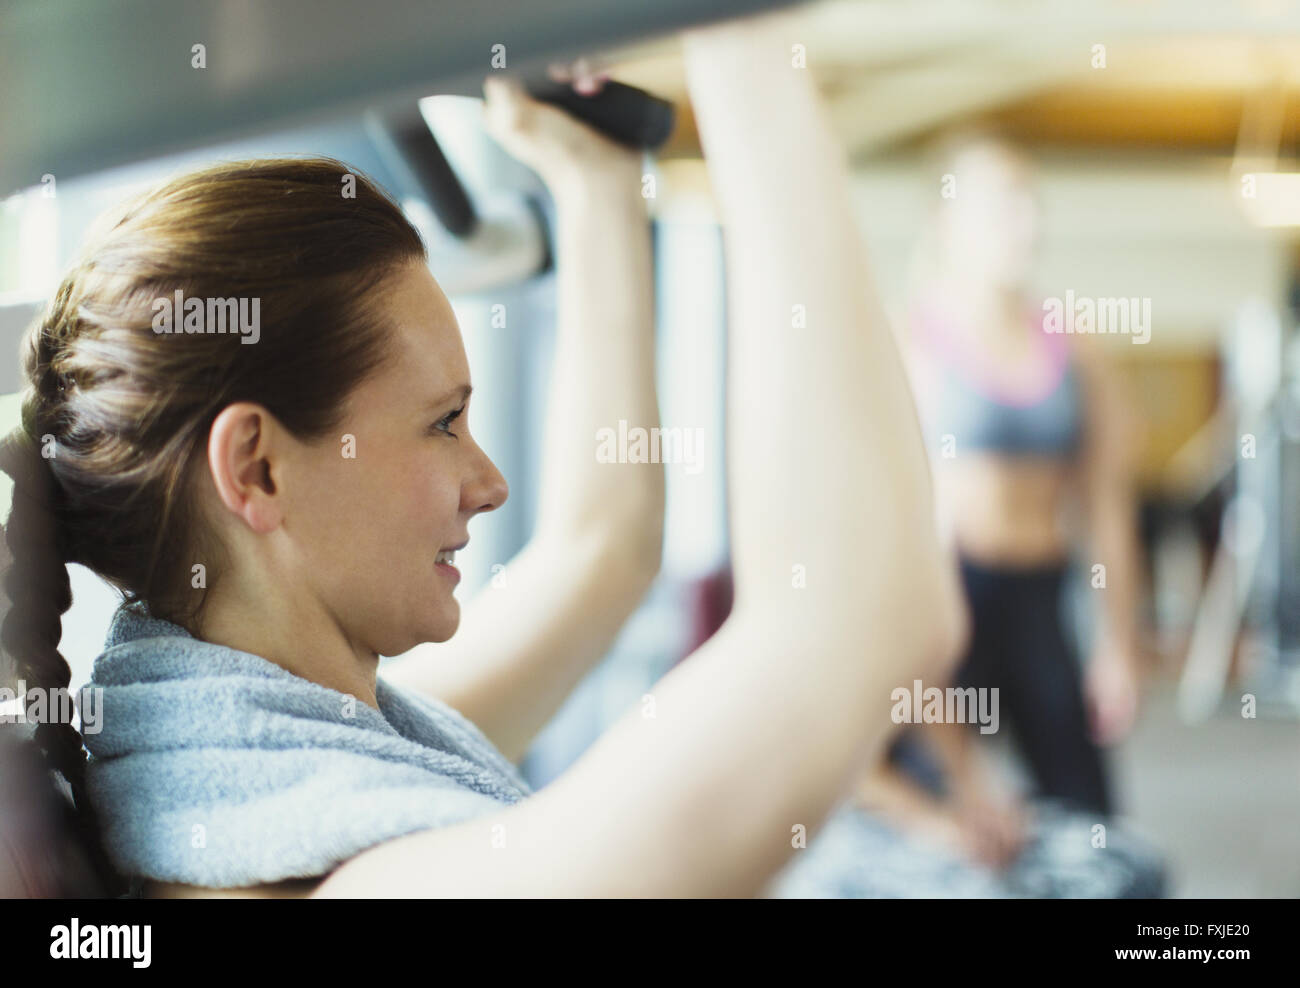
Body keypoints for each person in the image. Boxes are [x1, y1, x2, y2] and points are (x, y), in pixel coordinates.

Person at [0, 14, 965, 898]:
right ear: (255, 468)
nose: (489, 483)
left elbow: (603, 549)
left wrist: (593, 182)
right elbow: (864, 625)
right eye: (443, 423)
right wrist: (739, 36)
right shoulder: (345, 878)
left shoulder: (259, 752)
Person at [897, 132, 1148, 834]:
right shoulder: (911, 342)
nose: (1024, 222)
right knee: (949, 819)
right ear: (946, 220)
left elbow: (1105, 508)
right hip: (954, 603)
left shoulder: (1076, 346)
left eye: (1028, 203)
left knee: (1091, 820)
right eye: (1001, 204)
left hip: (1043, 594)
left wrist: (1119, 644)